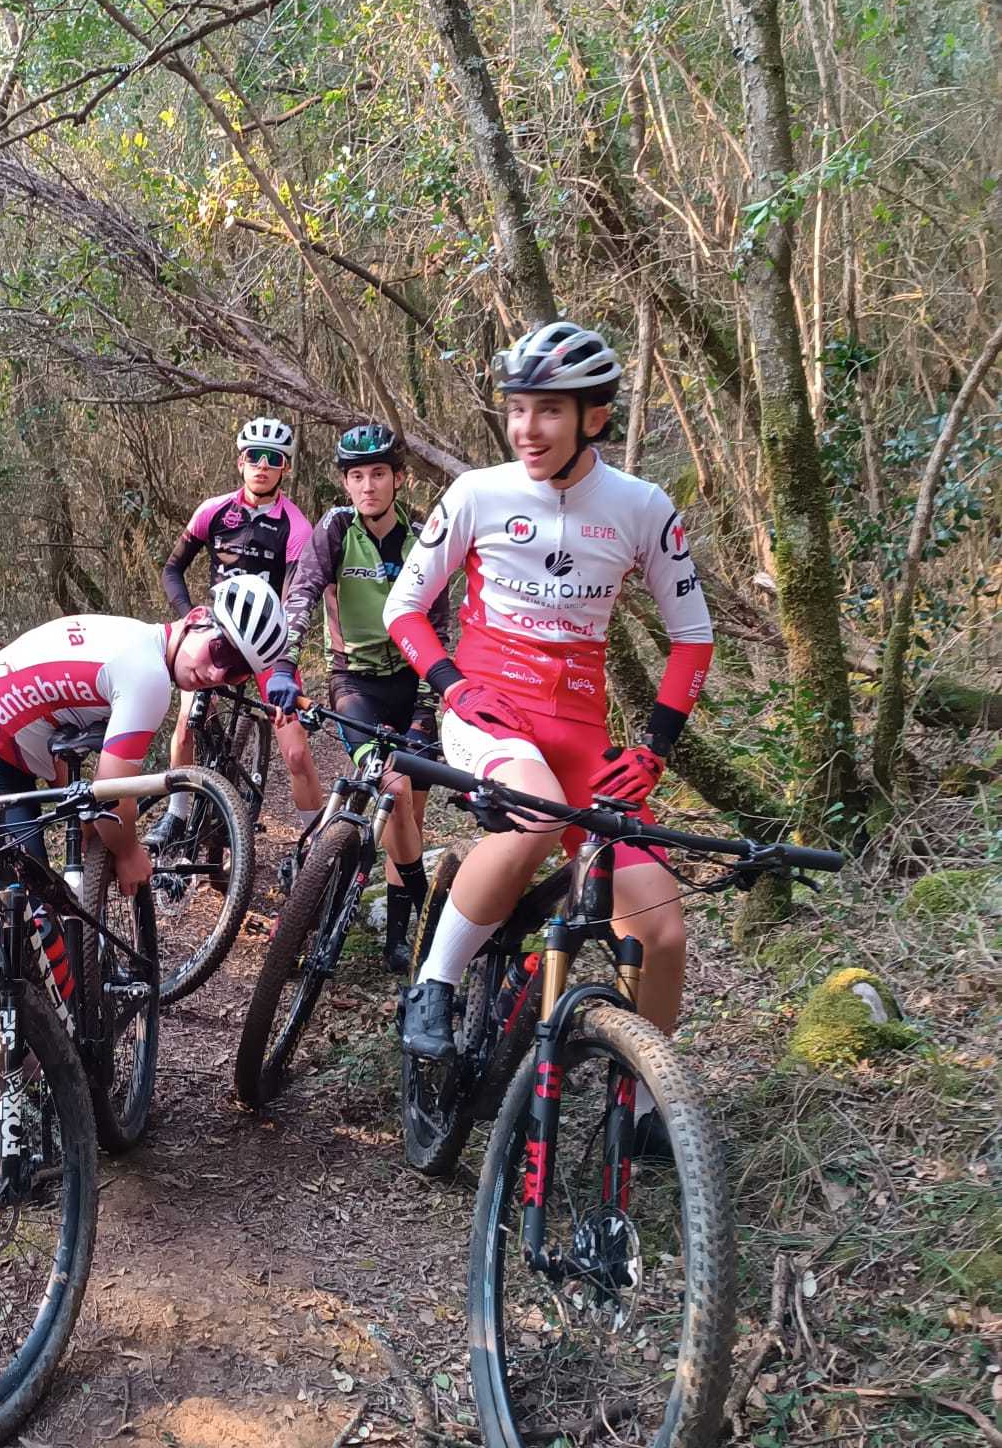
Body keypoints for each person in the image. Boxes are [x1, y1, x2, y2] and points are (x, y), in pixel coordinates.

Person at [383, 321, 715, 1152]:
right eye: (518, 409)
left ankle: (639, 1106)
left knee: (663, 925)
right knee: (534, 805)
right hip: (486, 715)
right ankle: (433, 983)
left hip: (583, 739)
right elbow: (404, 611)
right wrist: (452, 685)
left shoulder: (640, 508)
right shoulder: (477, 494)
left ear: (593, 419)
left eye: (550, 412)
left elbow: (694, 637)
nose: (527, 429)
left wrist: (654, 750)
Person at [0, 573, 290, 1129]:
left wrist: (104, 838)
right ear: (196, 619)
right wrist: (130, 855)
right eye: (220, 650)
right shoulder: (148, 678)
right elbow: (108, 801)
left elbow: (85, 766)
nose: (218, 673)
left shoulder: (132, 637)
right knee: (13, 925)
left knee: (14, 918)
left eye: (236, 671)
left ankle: (4, 1093)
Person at [268, 423, 453, 971]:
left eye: (378, 474)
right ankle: (425, 911)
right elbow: (300, 594)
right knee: (389, 784)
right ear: (345, 484)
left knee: (408, 818)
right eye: (356, 476)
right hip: (355, 685)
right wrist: (285, 664)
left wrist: (425, 711)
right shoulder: (335, 529)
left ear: (399, 478)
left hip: (412, 687)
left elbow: (438, 628)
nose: (367, 485)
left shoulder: (424, 537)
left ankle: (400, 938)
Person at [156, 416, 322, 840]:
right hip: (216, 631)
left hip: (267, 640)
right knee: (188, 725)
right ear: (240, 462)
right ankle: (176, 815)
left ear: (285, 467)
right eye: (254, 457)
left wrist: (287, 657)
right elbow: (173, 568)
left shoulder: (296, 527)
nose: (262, 465)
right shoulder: (213, 511)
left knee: (297, 752)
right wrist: (189, 613)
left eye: (273, 459)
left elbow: (297, 598)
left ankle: (314, 843)